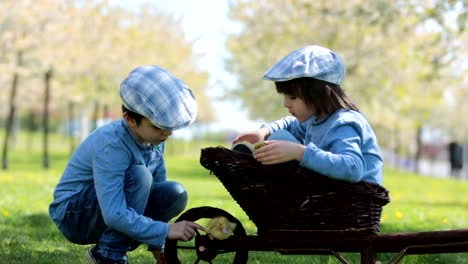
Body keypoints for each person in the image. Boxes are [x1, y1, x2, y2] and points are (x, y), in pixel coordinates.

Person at [49, 65, 205, 264]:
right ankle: (108, 255)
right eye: (158, 126)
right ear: (129, 119)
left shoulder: (155, 140)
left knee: (174, 193)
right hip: (74, 215)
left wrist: (158, 246)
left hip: (107, 207)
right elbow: (113, 213)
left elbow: (156, 194)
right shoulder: (112, 145)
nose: (167, 133)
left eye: (169, 128)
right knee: (140, 176)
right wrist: (167, 230)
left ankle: (107, 250)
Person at [233, 45, 383, 185]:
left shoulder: (343, 122)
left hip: (355, 197)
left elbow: (353, 168)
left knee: (281, 141)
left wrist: (300, 153)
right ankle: (252, 163)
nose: (286, 104)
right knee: (279, 136)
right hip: (330, 191)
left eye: (292, 97)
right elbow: (290, 123)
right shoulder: (315, 119)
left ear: (318, 94)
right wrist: (264, 131)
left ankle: (254, 167)